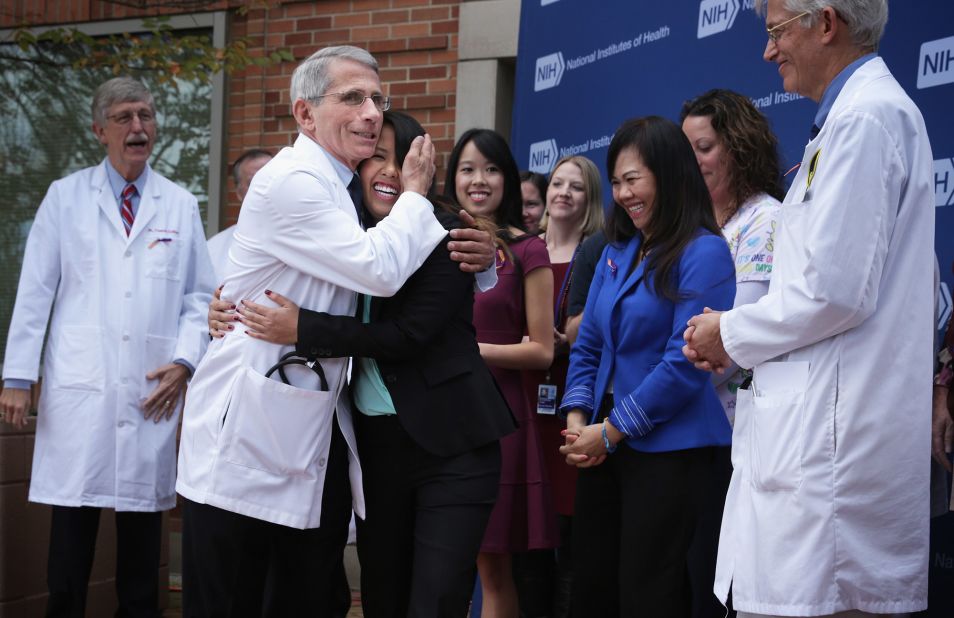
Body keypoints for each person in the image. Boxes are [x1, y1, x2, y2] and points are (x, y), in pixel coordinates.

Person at [175, 46, 492, 616]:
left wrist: (487, 254)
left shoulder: (340, 187)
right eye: (352, 98)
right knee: (233, 599)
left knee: (303, 597)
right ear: (304, 115)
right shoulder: (294, 181)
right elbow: (378, 268)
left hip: (306, 434)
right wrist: (417, 192)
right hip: (248, 432)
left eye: (378, 99)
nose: (372, 111)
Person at [682, 1, 935, 615]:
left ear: (826, 23)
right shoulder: (851, 120)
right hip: (815, 456)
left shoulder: (867, 121)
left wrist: (729, 333)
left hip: (833, 465)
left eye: (775, 32)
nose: (768, 52)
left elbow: (834, 291)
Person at [0, 76, 215, 617]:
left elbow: (199, 297)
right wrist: (17, 378)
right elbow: (35, 292)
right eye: (123, 117)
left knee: (143, 555)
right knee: (70, 547)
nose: (137, 127)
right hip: (82, 392)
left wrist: (186, 361)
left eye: (144, 115)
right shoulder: (65, 198)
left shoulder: (179, 204)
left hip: (151, 392)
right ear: (100, 131)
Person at [559, 116, 736, 616]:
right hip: (601, 445)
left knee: (649, 595)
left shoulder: (705, 252)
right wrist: (579, 422)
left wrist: (611, 431)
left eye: (632, 178)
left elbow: (684, 364)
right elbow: (589, 343)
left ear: (668, 173)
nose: (622, 193)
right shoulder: (618, 252)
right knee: (593, 587)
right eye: (615, 182)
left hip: (670, 454)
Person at [680, 88, 785, 618]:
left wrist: (667, 378)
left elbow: (738, 343)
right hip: (680, 430)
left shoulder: (762, 222)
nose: (693, 162)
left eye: (704, 147)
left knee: (711, 589)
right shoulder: (689, 229)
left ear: (738, 149)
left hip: (731, 436)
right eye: (686, 151)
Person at [445, 129, 557, 618]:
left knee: (492, 569)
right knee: (440, 564)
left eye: (490, 169)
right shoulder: (434, 241)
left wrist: (472, 352)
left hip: (500, 421)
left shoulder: (528, 250)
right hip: (438, 416)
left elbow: (542, 350)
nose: (479, 179)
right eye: (467, 168)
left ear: (507, 180)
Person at [517, 155, 603, 618]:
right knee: (527, 540)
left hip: (573, 405)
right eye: (557, 183)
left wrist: (568, 339)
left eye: (577, 186)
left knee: (569, 539)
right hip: (524, 404)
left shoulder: (599, 255)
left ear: (591, 200)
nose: (564, 192)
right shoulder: (523, 251)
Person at [207, 148, 273, 279]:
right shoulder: (213, 248)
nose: (266, 188)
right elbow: (201, 296)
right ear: (238, 192)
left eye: (272, 179)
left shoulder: (309, 240)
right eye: (253, 182)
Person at [520, 170, 548, 235]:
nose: (523, 213)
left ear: (547, 206)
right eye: (517, 205)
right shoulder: (497, 243)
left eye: (531, 204)